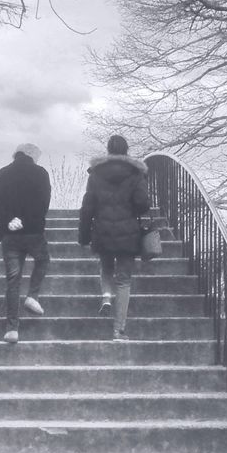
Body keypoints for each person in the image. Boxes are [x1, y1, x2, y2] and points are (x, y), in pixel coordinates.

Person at [78, 134, 150, 341]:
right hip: (128, 233)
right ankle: (119, 330)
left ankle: (106, 296)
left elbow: (87, 207)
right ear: (126, 150)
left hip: (102, 230)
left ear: (108, 150)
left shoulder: (95, 174)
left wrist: (83, 236)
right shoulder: (136, 173)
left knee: (106, 267)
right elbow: (142, 204)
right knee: (124, 280)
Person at [0, 143, 51, 344]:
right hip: (33, 233)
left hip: (10, 235)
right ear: (32, 155)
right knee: (43, 260)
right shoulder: (40, 173)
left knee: (13, 280)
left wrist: (8, 220)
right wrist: (27, 222)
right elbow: (43, 202)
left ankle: (12, 328)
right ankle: (32, 296)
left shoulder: (1, 173)